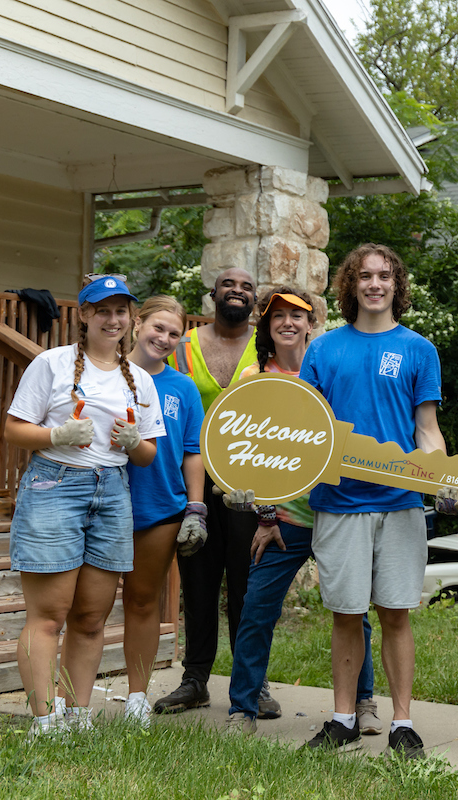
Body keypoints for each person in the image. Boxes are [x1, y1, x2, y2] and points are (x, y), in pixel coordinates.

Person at [299, 243, 458, 756]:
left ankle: (402, 724)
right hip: (339, 502)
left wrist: (442, 477)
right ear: (351, 286)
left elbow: (427, 429)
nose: (375, 284)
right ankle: (343, 719)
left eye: (384, 276)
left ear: (397, 285)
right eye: (365, 276)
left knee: (396, 612)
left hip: (400, 504)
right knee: (346, 614)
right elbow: (306, 430)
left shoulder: (419, 349)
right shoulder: (324, 349)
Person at [5, 275, 163, 737]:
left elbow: (149, 453)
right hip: (55, 485)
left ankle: (77, 716)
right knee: (49, 615)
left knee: (92, 616)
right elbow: (14, 430)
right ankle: (44, 720)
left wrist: (135, 442)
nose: (113, 319)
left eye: (121, 311)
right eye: (103, 310)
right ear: (85, 315)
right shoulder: (51, 364)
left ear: (131, 318)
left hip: (112, 490)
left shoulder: (141, 381)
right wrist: (55, 435)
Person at [223, 287, 380, 736]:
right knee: (256, 610)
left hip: (337, 512)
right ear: (266, 325)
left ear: (311, 323)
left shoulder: (332, 364)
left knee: (353, 614)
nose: (288, 322)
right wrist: (266, 515)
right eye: (278, 316)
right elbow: (244, 452)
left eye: (298, 315)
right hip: (283, 521)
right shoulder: (255, 376)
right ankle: (242, 709)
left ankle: (364, 702)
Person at [155, 268, 271, 716]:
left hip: (250, 486)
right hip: (195, 487)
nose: (236, 291)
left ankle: (252, 683)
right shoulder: (183, 348)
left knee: (248, 588)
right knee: (199, 587)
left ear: (254, 299)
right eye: (228, 285)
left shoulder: (266, 347)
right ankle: (194, 680)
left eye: (245, 286)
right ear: (213, 294)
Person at [122, 295, 206, 726]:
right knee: (86, 609)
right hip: (102, 503)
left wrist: (196, 507)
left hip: (160, 506)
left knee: (143, 603)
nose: (165, 338)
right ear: (137, 324)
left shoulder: (183, 387)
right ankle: (68, 699)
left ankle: (137, 697)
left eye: (174, 333)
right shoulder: (107, 375)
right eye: (158, 327)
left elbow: (193, 451)